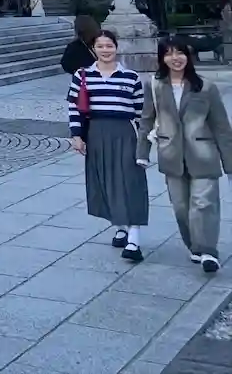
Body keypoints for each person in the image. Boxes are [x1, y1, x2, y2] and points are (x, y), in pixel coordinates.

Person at [136, 36, 232, 274]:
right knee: (181, 207)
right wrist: (142, 152)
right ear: (162, 58)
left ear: (188, 56)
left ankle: (208, 251)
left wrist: (229, 163)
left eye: (179, 52)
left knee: (204, 204)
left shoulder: (206, 87)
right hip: (171, 155)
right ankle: (194, 246)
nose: (175, 58)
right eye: (168, 53)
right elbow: (146, 120)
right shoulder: (155, 85)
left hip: (203, 154)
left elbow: (222, 127)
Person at [67, 28, 149, 262]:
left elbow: (141, 113)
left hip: (124, 132)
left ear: (116, 47)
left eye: (109, 45)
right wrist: (77, 135)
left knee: (131, 181)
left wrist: (145, 143)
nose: (105, 50)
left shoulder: (130, 77)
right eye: (100, 46)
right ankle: (120, 226)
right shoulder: (82, 75)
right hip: (96, 132)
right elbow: (74, 107)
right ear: (94, 49)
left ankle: (134, 237)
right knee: (104, 179)